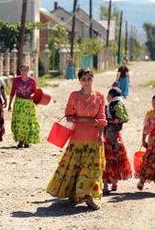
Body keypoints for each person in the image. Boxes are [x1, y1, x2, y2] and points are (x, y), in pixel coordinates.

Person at [47, 69, 107, 210]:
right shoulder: (74, 96)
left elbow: (102, 119)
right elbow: (69, 116)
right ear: (79, 81)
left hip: (94, 140)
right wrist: (89, 120)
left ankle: (89, 197)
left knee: (91, 170)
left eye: (89, 78)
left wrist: (100, 134)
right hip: (77, 139)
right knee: (74, 168)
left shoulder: (99, 97)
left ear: (92, 79)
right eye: (83, 79)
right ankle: (75, 194)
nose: (86, 81)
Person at [102, 87, 132, 195]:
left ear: (110, 95)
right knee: (115, 160)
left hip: (107, 137)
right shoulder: (112, 105)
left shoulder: (109, 106)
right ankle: (114, 184)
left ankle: (106, 185)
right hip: (114, 136)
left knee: (106, 160)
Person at [8, 65, 40, 148]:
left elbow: (35, 92)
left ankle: (27, 141)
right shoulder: (16, 80)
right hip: (19, 103)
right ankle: (21, 140)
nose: (23, 72)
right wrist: (9, 104)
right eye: (22, 70)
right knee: (19, 122)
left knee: (27, 122)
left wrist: (34, 97)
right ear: (20, 70)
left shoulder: (32, 81)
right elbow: (12, 92)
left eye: (25, 70)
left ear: (28, 70)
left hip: (28, 104)